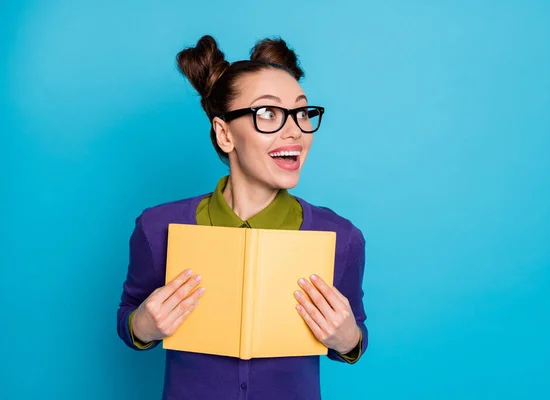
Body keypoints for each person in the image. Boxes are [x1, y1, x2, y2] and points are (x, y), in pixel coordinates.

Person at [116, 34, 368, 400]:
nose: (295, 130)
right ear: (224, 133)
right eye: (268, 113)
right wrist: (142, 324)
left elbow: (354, 335)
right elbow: (128, 318)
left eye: (301, 112)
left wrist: (348, 339)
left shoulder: (340, 237)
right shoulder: (157, 228)